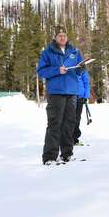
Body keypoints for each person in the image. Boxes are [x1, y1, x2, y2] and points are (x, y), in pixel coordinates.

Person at [36, 26, 85, 165]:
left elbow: (80, 71)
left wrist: (82, 69)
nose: (62, 37)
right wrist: (57, 70)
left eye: (64, 35)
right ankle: (50, 157)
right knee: (55, 124)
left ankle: (67, 154)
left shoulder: (74, 52)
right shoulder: (47, 53)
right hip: (56, 92)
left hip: (72, 92)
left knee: (69, 124)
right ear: (55, 38)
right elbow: (41, 71)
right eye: (59, 35)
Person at [73, 67, 90, 146]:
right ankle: (67, 138)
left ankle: (75, 138)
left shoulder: (83, 70)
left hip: (80, 97)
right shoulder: (70, 67)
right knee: (69, 118)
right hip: (70, 96)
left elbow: (86, 82)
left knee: (77, 118)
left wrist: (86, 96)